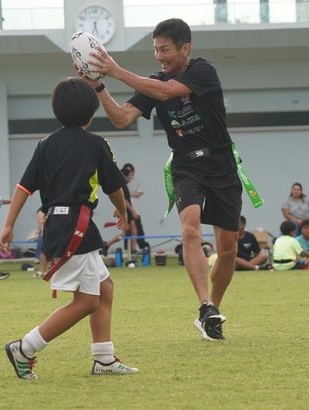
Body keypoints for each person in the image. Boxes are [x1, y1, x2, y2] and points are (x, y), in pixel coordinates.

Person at [83, 18, 242, 340]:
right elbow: (121, 118)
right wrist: (99, 86)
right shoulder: (152, 83)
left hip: (222, 164)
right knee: (190, 227)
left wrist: (115, 70)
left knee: (227, 250)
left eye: (165, 49)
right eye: (155, 50)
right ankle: (205, 303)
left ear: (185, 48)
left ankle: (213, 312)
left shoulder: (203, 71)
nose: (159, 56)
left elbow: (167, 91)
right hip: (186, 167)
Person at [0, 77, 138, 379]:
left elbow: (24, 187)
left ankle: (103, 358)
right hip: (78, 225)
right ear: (91, 113)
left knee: (104, 287)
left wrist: (8, 225)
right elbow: (114, 185)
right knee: (87, 301)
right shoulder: (96, 144)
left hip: (58, 224)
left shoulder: (45, 145)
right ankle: (25, 347)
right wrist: (122, 210)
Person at [122, 163, 148, 250]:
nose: (131, 175)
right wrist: (132, 211)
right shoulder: (123, 185)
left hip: (132, 210)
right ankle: (130, 249)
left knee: (135, 230)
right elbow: (125, 199)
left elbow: (138, 193)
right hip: (127, 210)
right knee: (128, 231)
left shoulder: (135, 181)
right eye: (129, 173)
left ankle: (135, 248)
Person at [32, 207, 48, 278]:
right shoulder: (42, 211)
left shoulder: (41, 212)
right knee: (44, 253)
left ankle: (43, 271)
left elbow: (41, 223)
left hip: (46, 234)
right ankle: (43, 271)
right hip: (46, 233)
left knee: (43, 253)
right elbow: (42, 224)